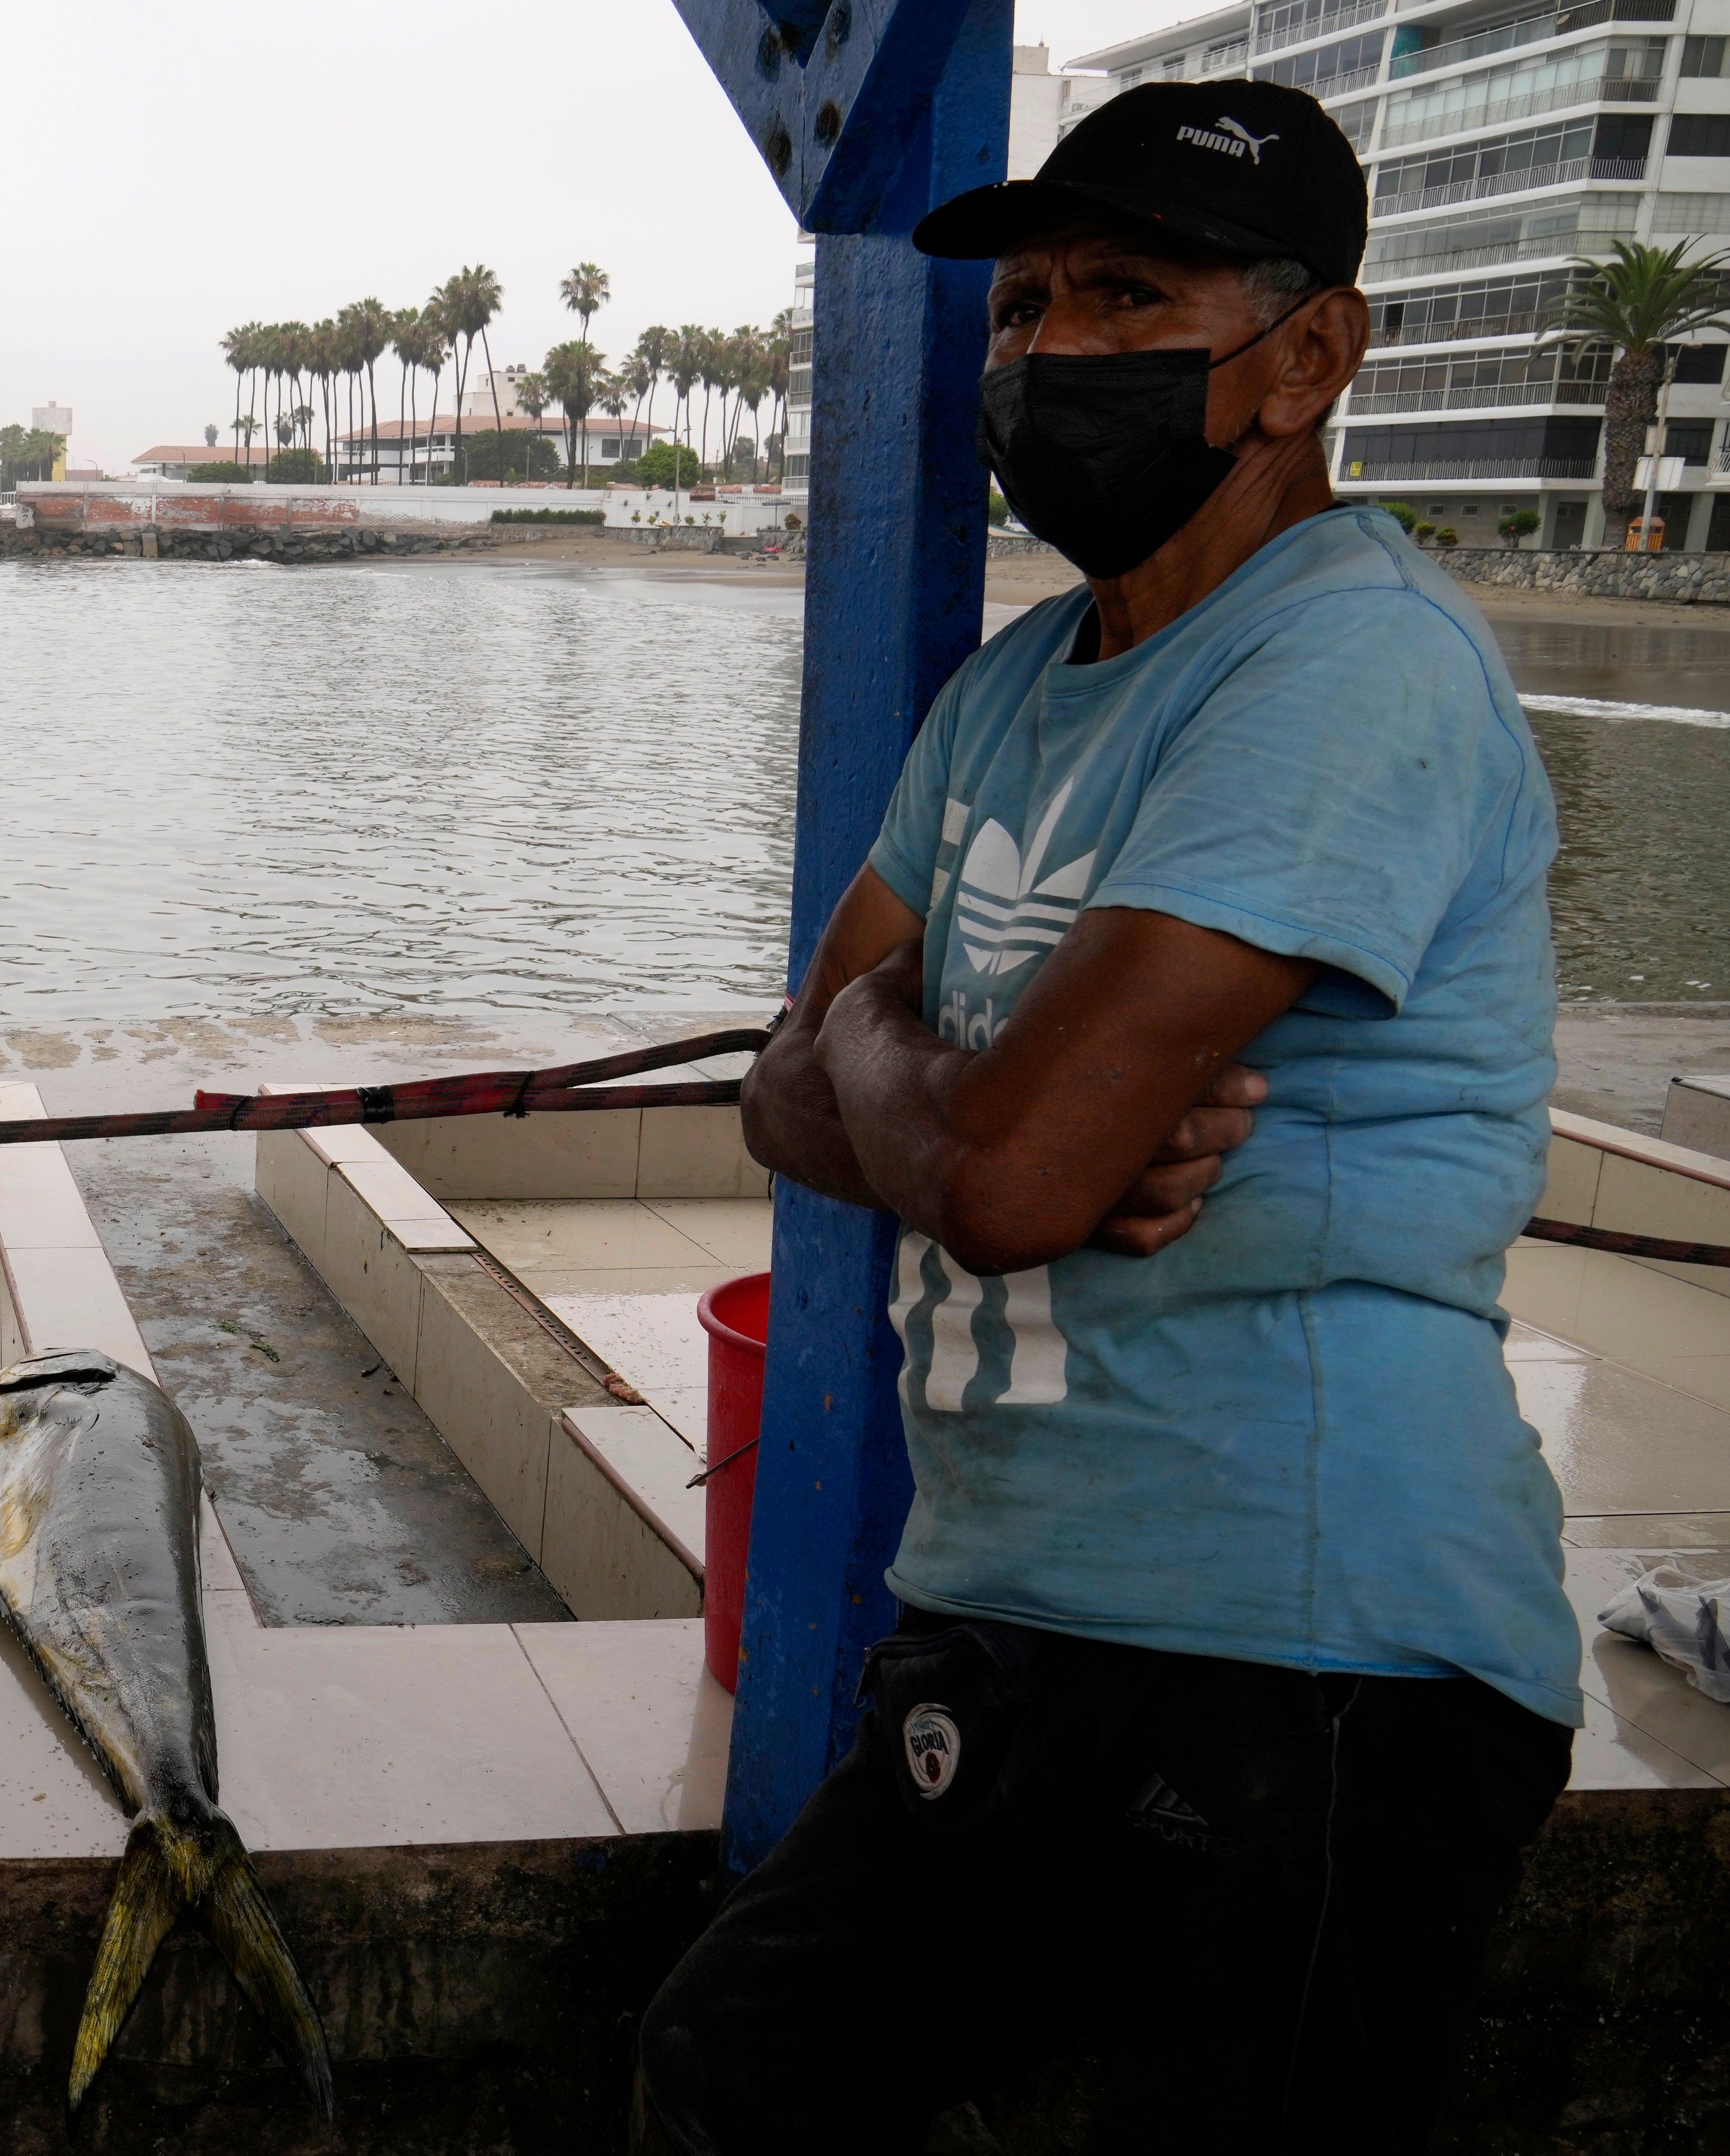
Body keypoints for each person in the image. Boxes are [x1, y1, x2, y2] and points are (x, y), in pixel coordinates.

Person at [638, 81, 1577, 2150]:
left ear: (1307, 353)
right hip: (1023, 1611)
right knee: (742, 2071)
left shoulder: (1352, 663)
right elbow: (797, 1096)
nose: (1047, 351)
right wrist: (938, 1095)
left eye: (1125, 295)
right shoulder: (1009, 690)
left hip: (1313, 1649)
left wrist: (928, 1098)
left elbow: (988, 1170)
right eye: (1024, 304)